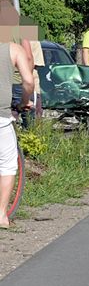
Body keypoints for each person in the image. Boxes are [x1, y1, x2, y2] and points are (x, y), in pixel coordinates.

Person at [0, 41, 34, 228]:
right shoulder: (13, 49)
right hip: (1, 116)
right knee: (7, 164)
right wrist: (24, 101)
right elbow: (28, 81)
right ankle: (1, 216)